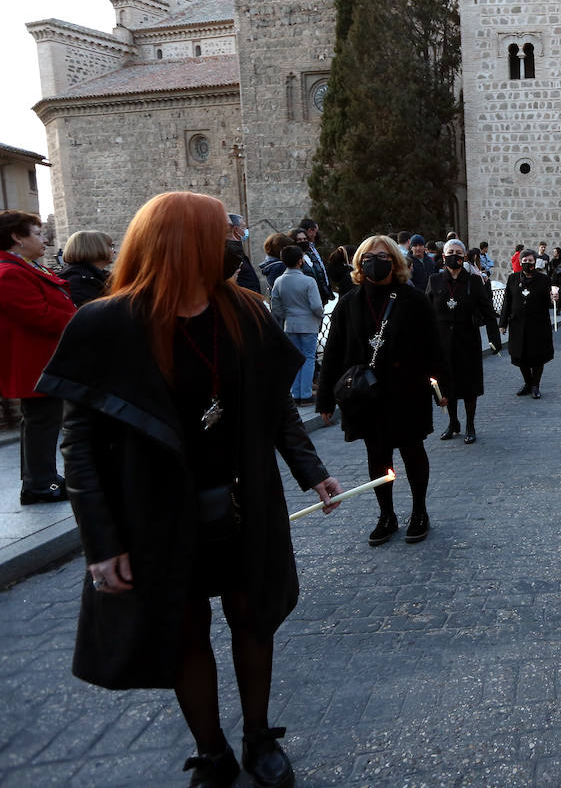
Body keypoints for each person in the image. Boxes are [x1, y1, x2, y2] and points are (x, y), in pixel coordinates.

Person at [38, 191, 340, 786]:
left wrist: (311, 470)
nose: (235, 239)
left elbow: (274, 407)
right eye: (223, 230)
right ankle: (212, 750)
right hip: (156, 514)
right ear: (183, 242)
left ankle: (259, 737)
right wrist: (102, 543)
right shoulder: (106, 324)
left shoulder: (246, 310)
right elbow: (80, 446)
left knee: (253, 621)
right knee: (184, 632)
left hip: (244, 504)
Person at [317, 235, 447, 546]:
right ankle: (386, 514)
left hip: (407, 391)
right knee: (377, 454)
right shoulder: (350, 302)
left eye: (384, 256)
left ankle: (419, 511)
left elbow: (434, 346)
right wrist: (325, 398)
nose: (377, 261)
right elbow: (333, 351)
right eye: (370, 256)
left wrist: (442, 387)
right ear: (360, 262)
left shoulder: (413, 299)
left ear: (396, 261)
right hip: (366, 396)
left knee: (412, 451)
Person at [0, 210, 76, 504]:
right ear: (17, 237)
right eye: (38, 233)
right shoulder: (8, 271)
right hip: (33, 359)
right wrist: (79, 320)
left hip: (41, 357)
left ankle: (40, 480)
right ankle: (41, 484)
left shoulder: (24, 266)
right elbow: (37, 315)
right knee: (42, 421)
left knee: (41, 420)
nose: (45, 239)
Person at [427, 239, 501, 444]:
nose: (454, 256)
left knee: (468, 386)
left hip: (467, 341)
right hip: (443, 343)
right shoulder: (434, 280)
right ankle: (453, 422)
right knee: (447, 385)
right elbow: (426, 312)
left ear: (464, 256)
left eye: (458, 252)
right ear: (443, 256)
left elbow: (487, 310)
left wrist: (495, 339)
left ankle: (470, 424)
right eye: (450, 252)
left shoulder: (474, 281)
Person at [269, 244, 325, 405]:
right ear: (300, 261)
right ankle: (306, 393)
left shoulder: (279, 281)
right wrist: (319, 316)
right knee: (308, 358)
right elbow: (316, 306)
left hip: (290, 325)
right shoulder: (308, 281)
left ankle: (295, 393)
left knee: (295, 359)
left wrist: (288, 316)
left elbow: (276, 308)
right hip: (308, 324)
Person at [499, 246, 557, 398]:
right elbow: (507, 301)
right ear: (520, 262)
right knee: (520, 356)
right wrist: (503, 323)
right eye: (524, 261)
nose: (527, 263)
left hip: (538, 324)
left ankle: (535, 386)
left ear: (535, 262)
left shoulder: (544, 279)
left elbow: (549, 301)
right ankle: (528, 383)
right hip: (518, 325)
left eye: (530, 261)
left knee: (537, 356)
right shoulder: (513, 279)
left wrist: (554, 299)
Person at [58, 230, 116, 306]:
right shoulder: (79, 280)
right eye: (110, 247)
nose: (114, 251)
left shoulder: (99, 275)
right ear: (95, 248)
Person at [225, 214, 262, 295]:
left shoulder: (238, 252)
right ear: (235, 229)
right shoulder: (231, 254)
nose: (246, 230)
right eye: (243, 227)